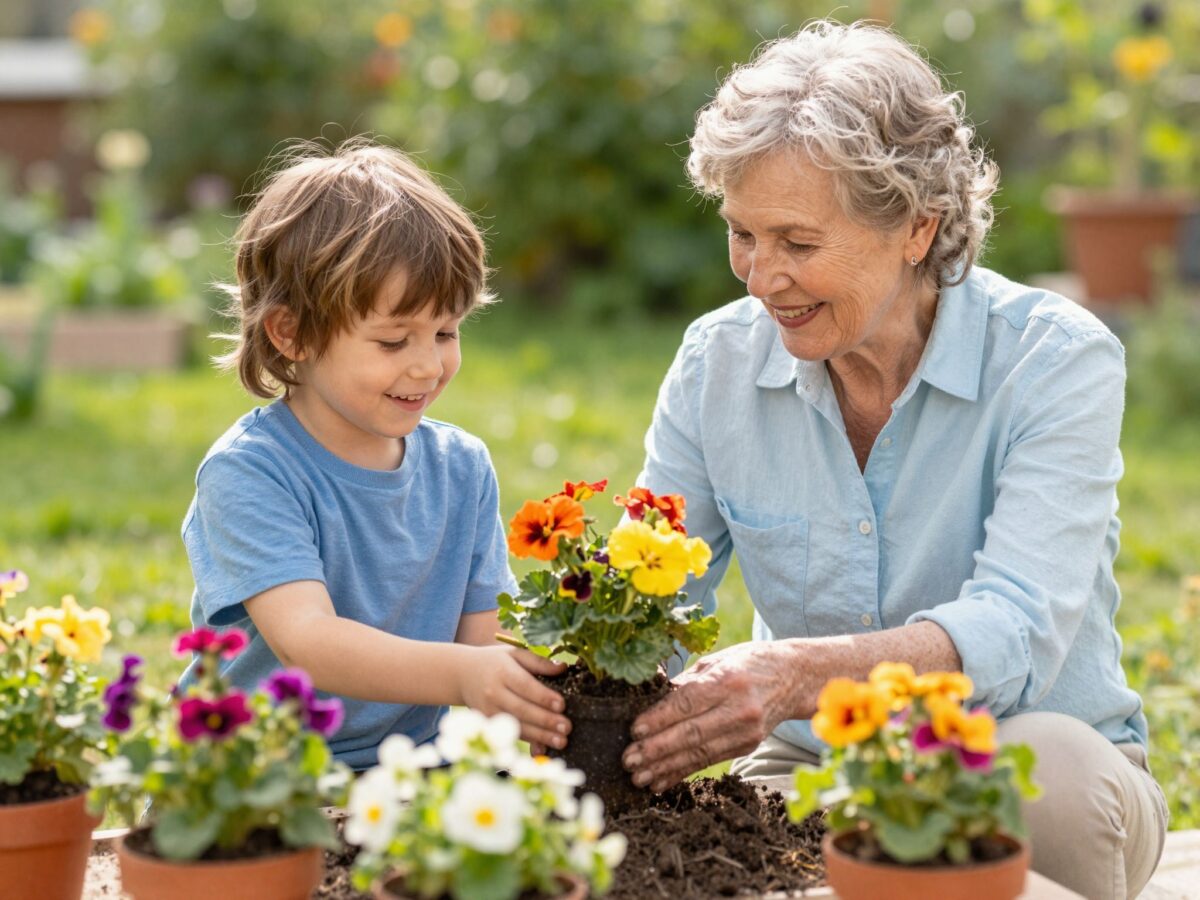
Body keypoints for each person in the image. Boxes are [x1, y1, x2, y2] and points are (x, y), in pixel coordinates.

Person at [620, 21, 1167, 900]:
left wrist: (796, 672)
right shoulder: (715, 363)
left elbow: (1016, 627)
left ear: (919, 228)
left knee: (1048, 786)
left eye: (797, 244)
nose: (760, 279)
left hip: (1014, 751)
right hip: (807, 777)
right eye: (742, 235)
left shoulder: (1054, 361)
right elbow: (645, 602)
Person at [180, 142, 569, 770]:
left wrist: (547, 676)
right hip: (256, 780)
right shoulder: (250, 473)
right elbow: (312, 642)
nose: (428, 364)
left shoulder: (462, 468)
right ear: (292, 333)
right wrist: (466, 675)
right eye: (393, 341)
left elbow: (485, 638)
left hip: (406, 771)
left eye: (446, 332)